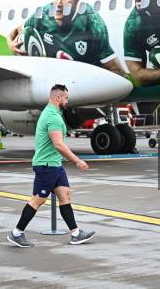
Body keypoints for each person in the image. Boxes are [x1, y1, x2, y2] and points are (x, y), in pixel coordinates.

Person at [7, 84, 95, 247]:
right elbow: (58, 145)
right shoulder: (52, 116)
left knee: (64, 195)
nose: (67, 101)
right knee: (37, 201)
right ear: (58, 98)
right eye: (66, 98)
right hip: (46, 165)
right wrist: (77, 161)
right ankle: (16, 233)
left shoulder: (53, 113)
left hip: (55, 165)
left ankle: (75, 233)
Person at [7, 0, 125, 76]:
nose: (58, 4)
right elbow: (15, 31)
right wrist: (11, 44)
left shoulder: (93, 23)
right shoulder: (44, 14)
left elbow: (117, 70)